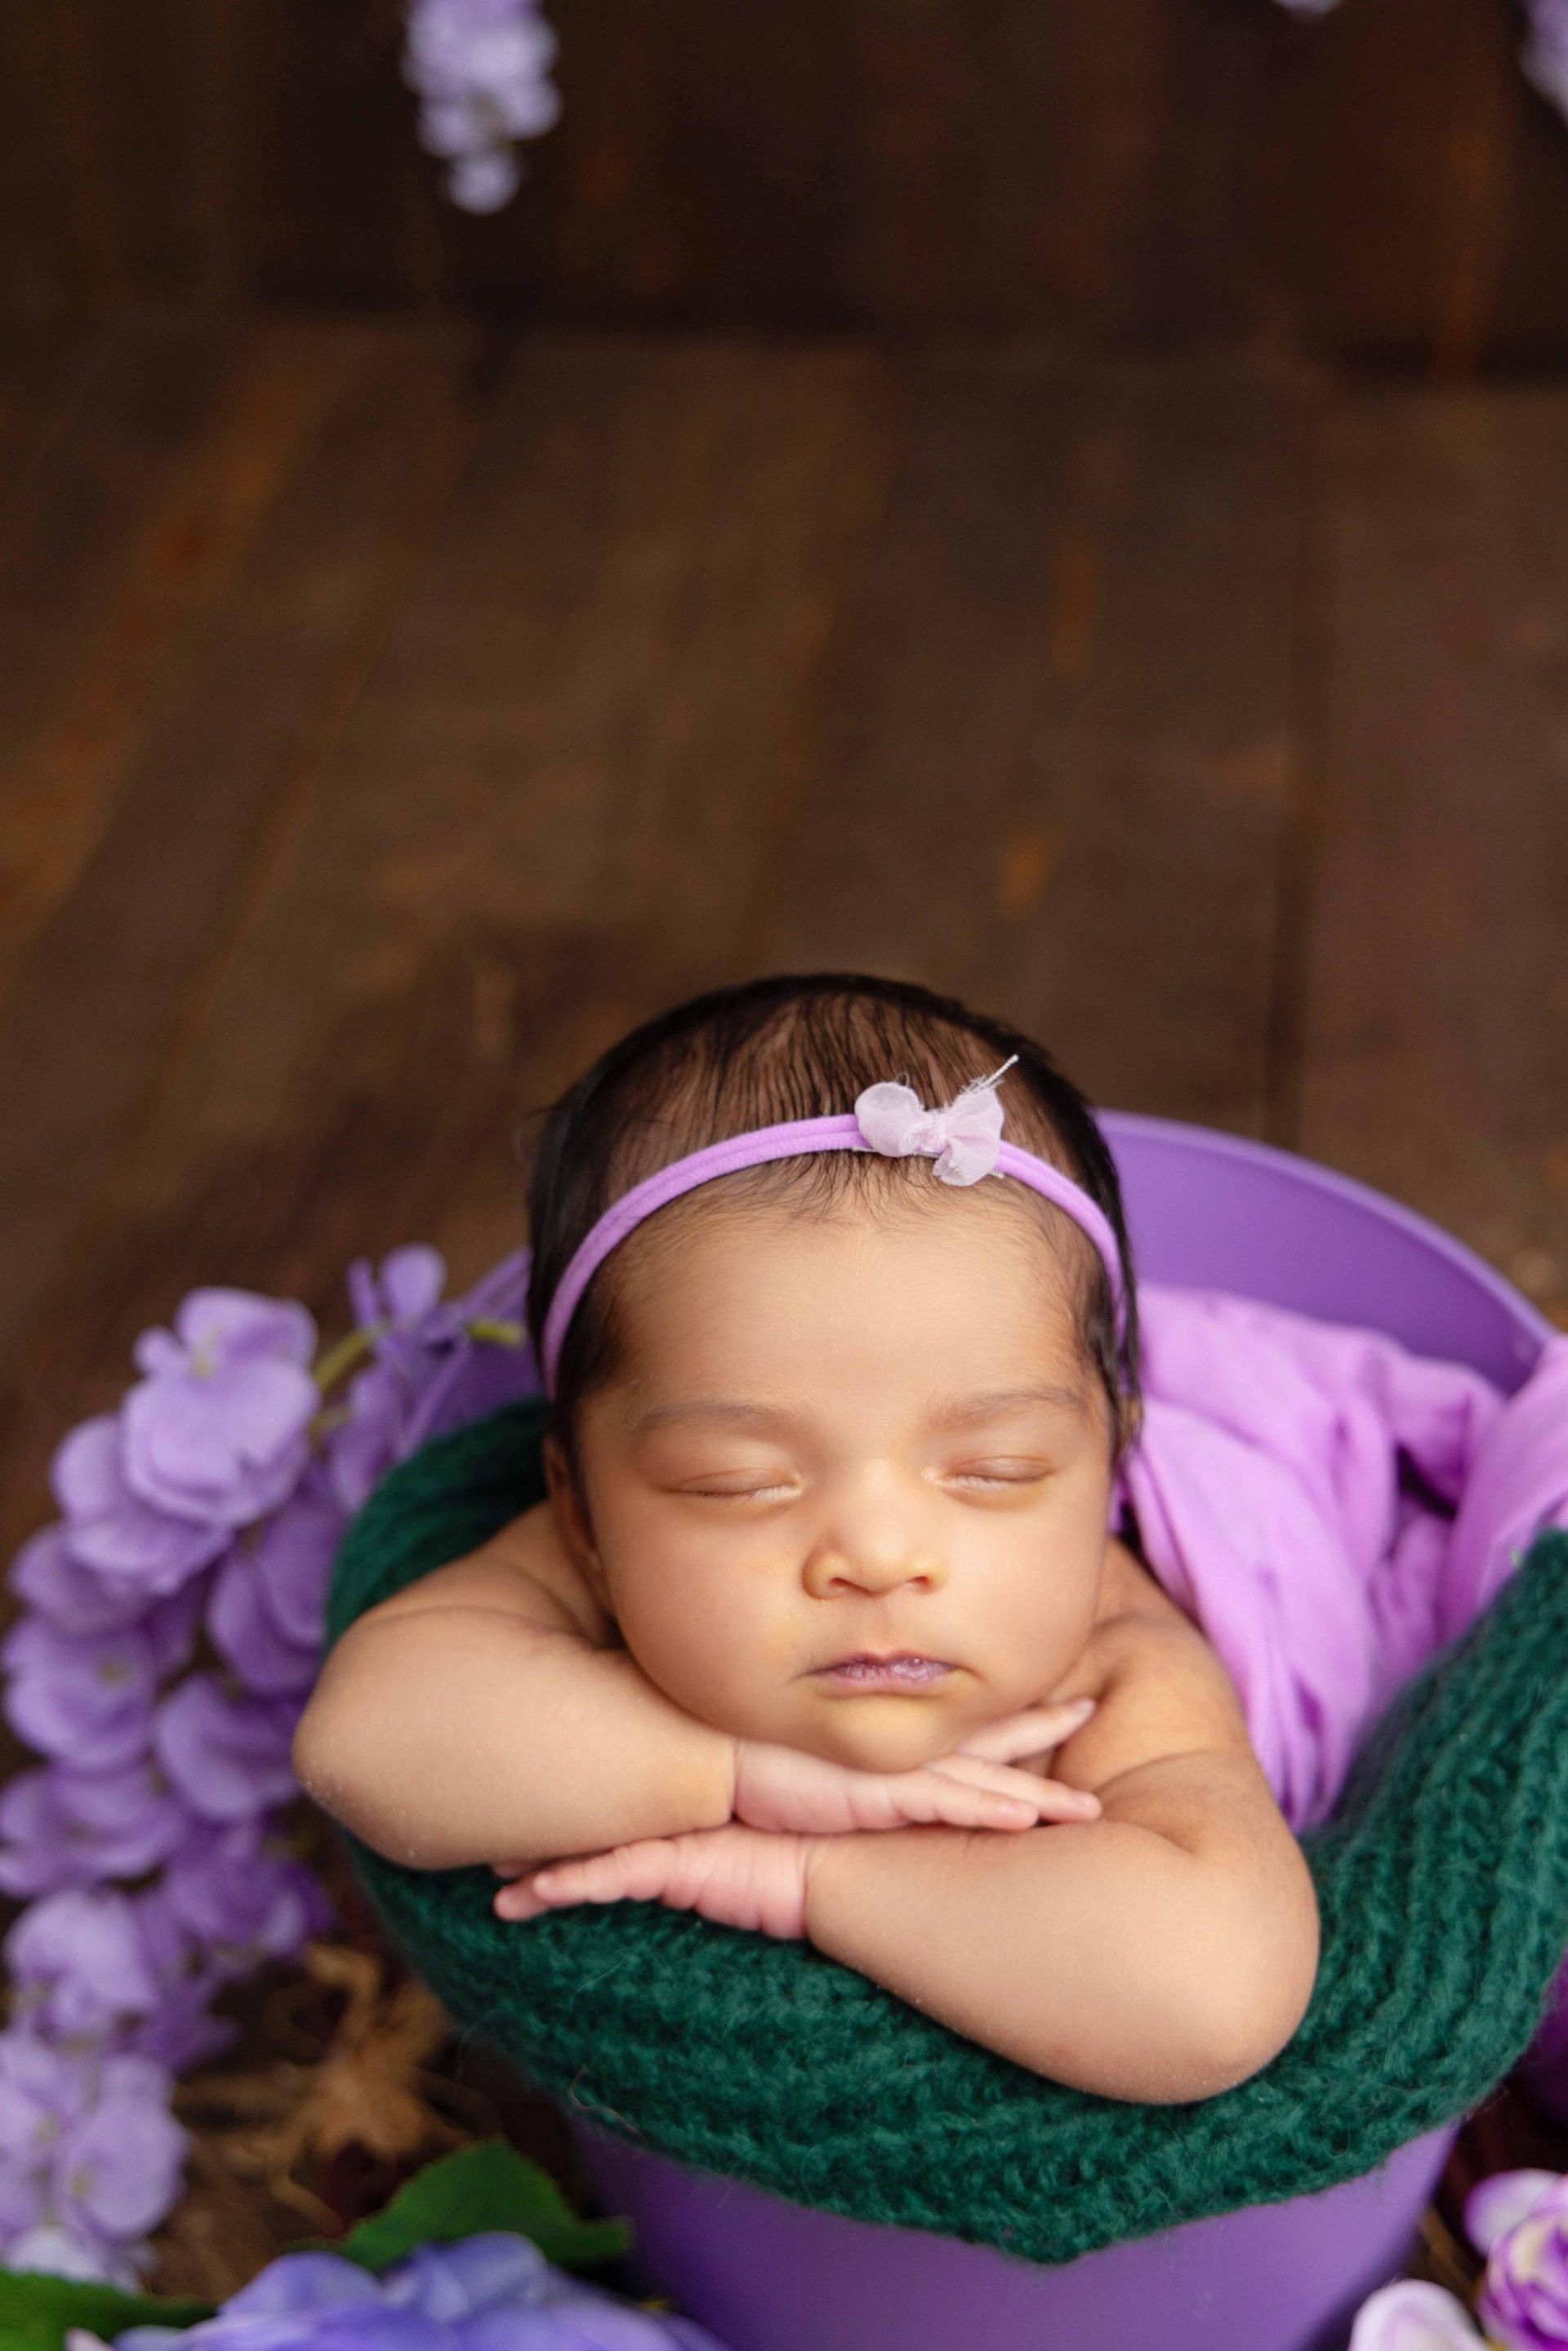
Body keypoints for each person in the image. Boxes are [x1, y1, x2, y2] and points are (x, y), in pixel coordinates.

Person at [292, 973, 1320, 2104]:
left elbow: (1212, 1996)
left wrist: (810, 1875)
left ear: (1109, 1473)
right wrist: (734, 1772)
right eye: (737, 1484)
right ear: (581, 1509)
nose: (878, 1557)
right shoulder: (587, 1555)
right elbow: (365, 1743)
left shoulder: (1115, 1664)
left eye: (996, 1471)